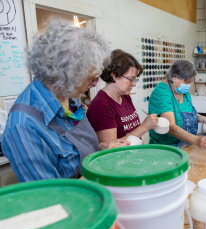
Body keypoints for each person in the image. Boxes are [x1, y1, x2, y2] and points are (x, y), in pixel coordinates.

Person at [1, 20, 129, 182]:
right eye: (90, 79)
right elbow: (49, 195)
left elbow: (72, 151)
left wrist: (100, 149)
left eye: (97, 77)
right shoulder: (23, 127)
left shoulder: (67, 96)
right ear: (59, 76)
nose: (95, 84)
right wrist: (99, 171)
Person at [87, 49, 158, 142]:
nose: (134, 84)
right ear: (114, 75)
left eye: (134, 80)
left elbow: (136, 136)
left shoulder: (125, 96)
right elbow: (112, 148)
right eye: (130, 79)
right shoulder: (100, 105)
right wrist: (144, 127)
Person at [148, 60, 206, 149]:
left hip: (185, 145)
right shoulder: (162, 93)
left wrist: (204, 119)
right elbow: (170, 126)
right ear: (174, 78)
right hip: (165, 148)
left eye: (190, 82)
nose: (188, 85)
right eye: (187, 82)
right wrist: (196, 140)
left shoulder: (183, 91)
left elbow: (188, 113)